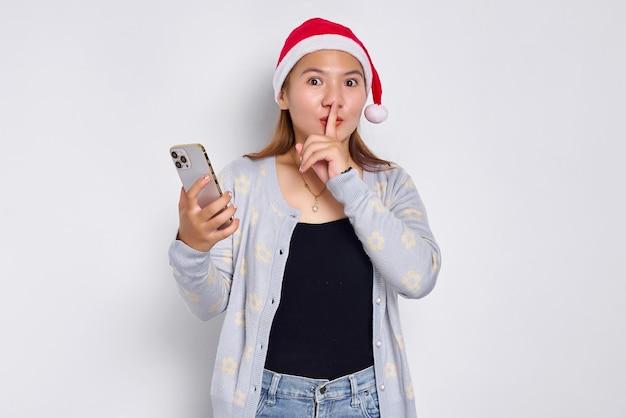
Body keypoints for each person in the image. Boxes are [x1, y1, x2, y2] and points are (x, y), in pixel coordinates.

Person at [168, 17, 441, 418]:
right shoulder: (243, 181)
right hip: (265, 402)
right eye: (315, 81)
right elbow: (207, 305)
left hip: (366, 401)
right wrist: (192, 247)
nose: (334, 99)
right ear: (283, 93)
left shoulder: (389, 185)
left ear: (366, 96)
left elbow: (419, 278)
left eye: (350, 82)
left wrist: (348, 181)